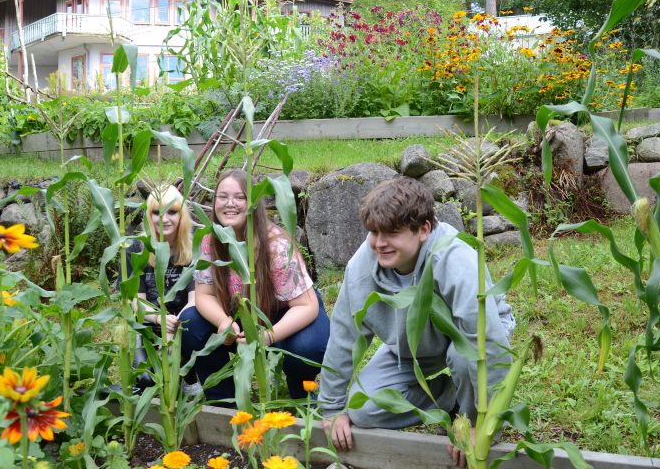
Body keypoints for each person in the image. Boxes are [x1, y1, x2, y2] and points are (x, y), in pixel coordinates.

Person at [318, 177, 516, 466]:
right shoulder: (361, 269)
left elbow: (488, 342)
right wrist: (332, 409)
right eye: (374, 232)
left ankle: (468, 410)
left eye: (391, 233)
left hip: (470, 340)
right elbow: (343, 338)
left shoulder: (455, 258)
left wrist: (482, 425)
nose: (379, 243)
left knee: (463, 357)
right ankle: (448, 398)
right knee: (363, 410)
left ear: (423, 229)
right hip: (409, 347)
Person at [180, 169, 330, 402]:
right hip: (238, 316)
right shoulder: (209, 242)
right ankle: (221, 400)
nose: (230, 204)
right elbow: (204, 295)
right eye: (223, 197)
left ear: (253, 203)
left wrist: (267, 336)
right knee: (191, 322)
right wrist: (223, 322)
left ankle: (302, 393)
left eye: (240, 197)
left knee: (307, 347)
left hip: (287, 315)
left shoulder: (276, 245)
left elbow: (305, 307)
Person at [118, 185, 197, 390]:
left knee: (182, 384)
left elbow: (195, 299)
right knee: (146, 382)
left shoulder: (194, 248)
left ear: (182, 215)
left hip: (183, 325)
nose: (164, 219)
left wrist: (173, 326)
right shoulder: (135, 249)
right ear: (148, 215)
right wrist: (160, 319)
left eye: (172, 212)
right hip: (148, 325)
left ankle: (189, 377)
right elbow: (137, 301)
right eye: (156, 213)